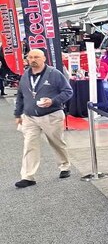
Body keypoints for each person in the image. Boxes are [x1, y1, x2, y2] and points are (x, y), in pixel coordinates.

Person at [13, 49, 73, 188]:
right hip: (30, 117)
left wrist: (53, 101)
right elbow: (20, 96)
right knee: (29, 145)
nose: (33, 59)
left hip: (51, 115)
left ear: (44, 59)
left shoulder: (54, 74)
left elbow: (68, 91)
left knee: (56, 142)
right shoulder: (25, 76)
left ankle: (64, 166)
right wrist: (18, 114)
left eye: (36, 57)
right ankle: (28, 176)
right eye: (30, 57)